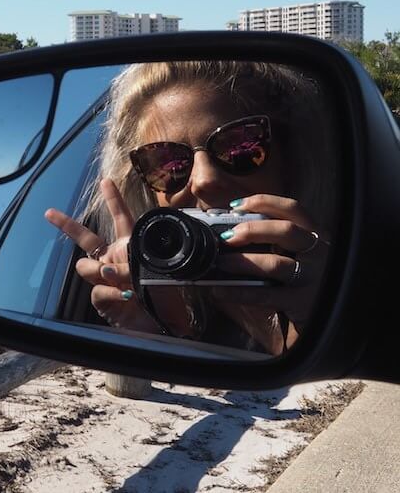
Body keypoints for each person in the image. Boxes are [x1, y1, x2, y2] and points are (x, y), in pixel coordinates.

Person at [44, 60, 339, 355]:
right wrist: (159, 333)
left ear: (292, 158)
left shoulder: (351, 274)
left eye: (240, 147)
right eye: (167, 163)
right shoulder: (160, 305)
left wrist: (331, 308)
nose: (203, 181)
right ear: (146, 190)